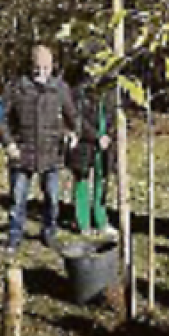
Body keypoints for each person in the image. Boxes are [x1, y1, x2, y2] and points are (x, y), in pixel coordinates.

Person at [2, 44, 78, 251]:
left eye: (46, 67)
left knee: (52, 200)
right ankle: (14, 236)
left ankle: (49, 233)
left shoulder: (60, 88)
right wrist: (9, 142)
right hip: (22, 152)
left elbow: (74, 117)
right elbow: (0, 119)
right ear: (30, 65)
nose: (42, 71)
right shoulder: (16, 87)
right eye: (37, 66)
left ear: (53, 66)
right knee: (17, 200)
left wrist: (72, 134)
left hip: (51, 153)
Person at [69, 71, 118, 237]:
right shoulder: (80, 91)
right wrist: (96, 136)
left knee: (102, 180)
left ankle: (101, 220)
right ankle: (82, 222)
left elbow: (116, 116)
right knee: (82, 180)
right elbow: (76, 119)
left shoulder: (113, 90)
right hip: (85, 143)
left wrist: (109, 135)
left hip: (107, 143)